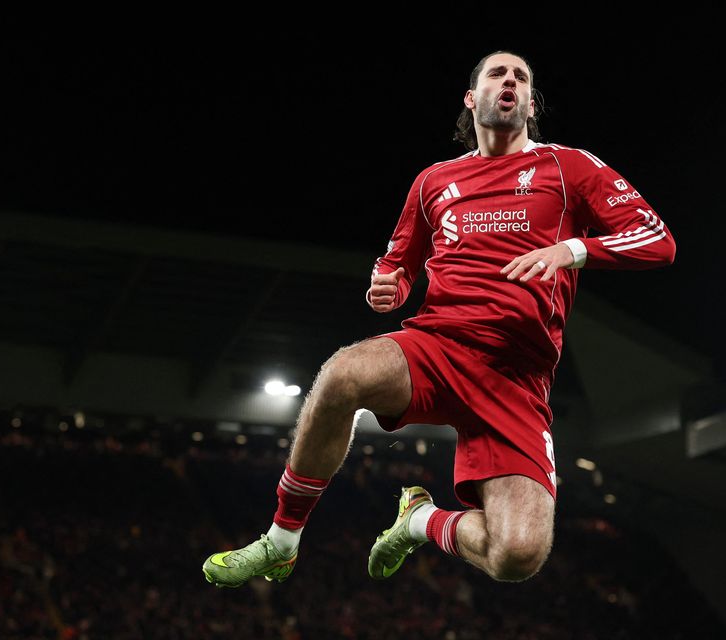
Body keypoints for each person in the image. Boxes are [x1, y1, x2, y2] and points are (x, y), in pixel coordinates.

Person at [202, 50, 676, 587]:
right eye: (498, 73)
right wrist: (390, 285)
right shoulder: (434, 182)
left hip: (517, 381)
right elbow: (397, 262)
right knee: (342, 374)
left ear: (530, 103)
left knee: (517, 556)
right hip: (439, 348)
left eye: (521, 77)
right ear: (472, 98)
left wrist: (571, 249)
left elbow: (658, 240)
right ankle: (282, 540)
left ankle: (421, 520)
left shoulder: (569, 168)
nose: (511, 81)